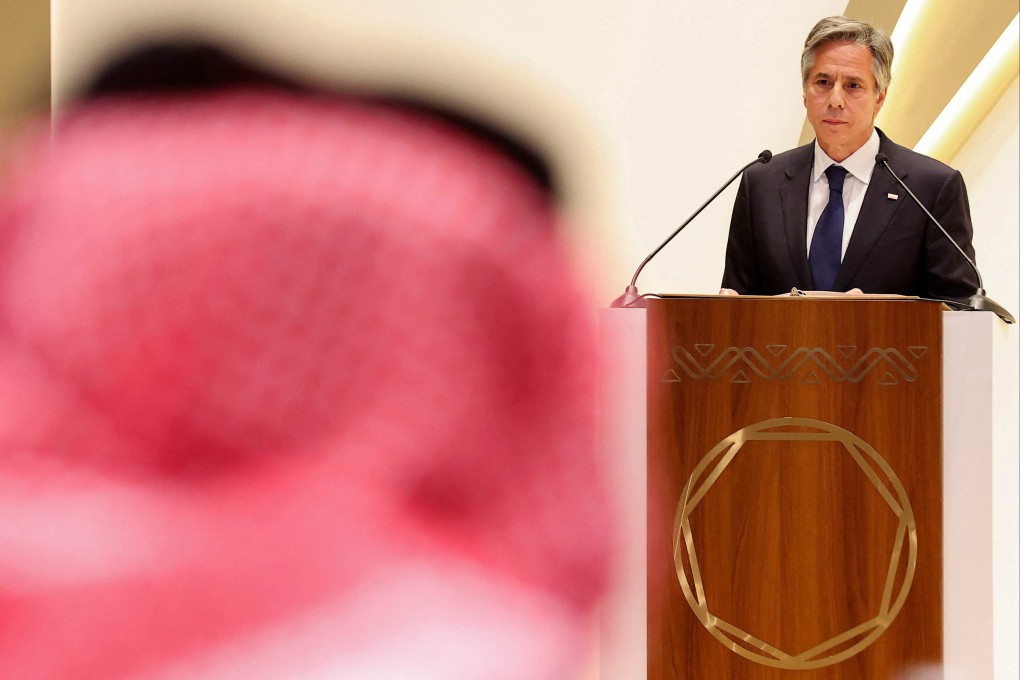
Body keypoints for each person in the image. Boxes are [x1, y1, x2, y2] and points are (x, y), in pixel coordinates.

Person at [720, 16, 979, 302]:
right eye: (823, 82)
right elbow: (737, 300)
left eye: (853, 85)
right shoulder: (761, 183)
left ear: (880, 96)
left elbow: (960, 310)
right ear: (805, 92)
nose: (835, 100)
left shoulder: (930, 188)